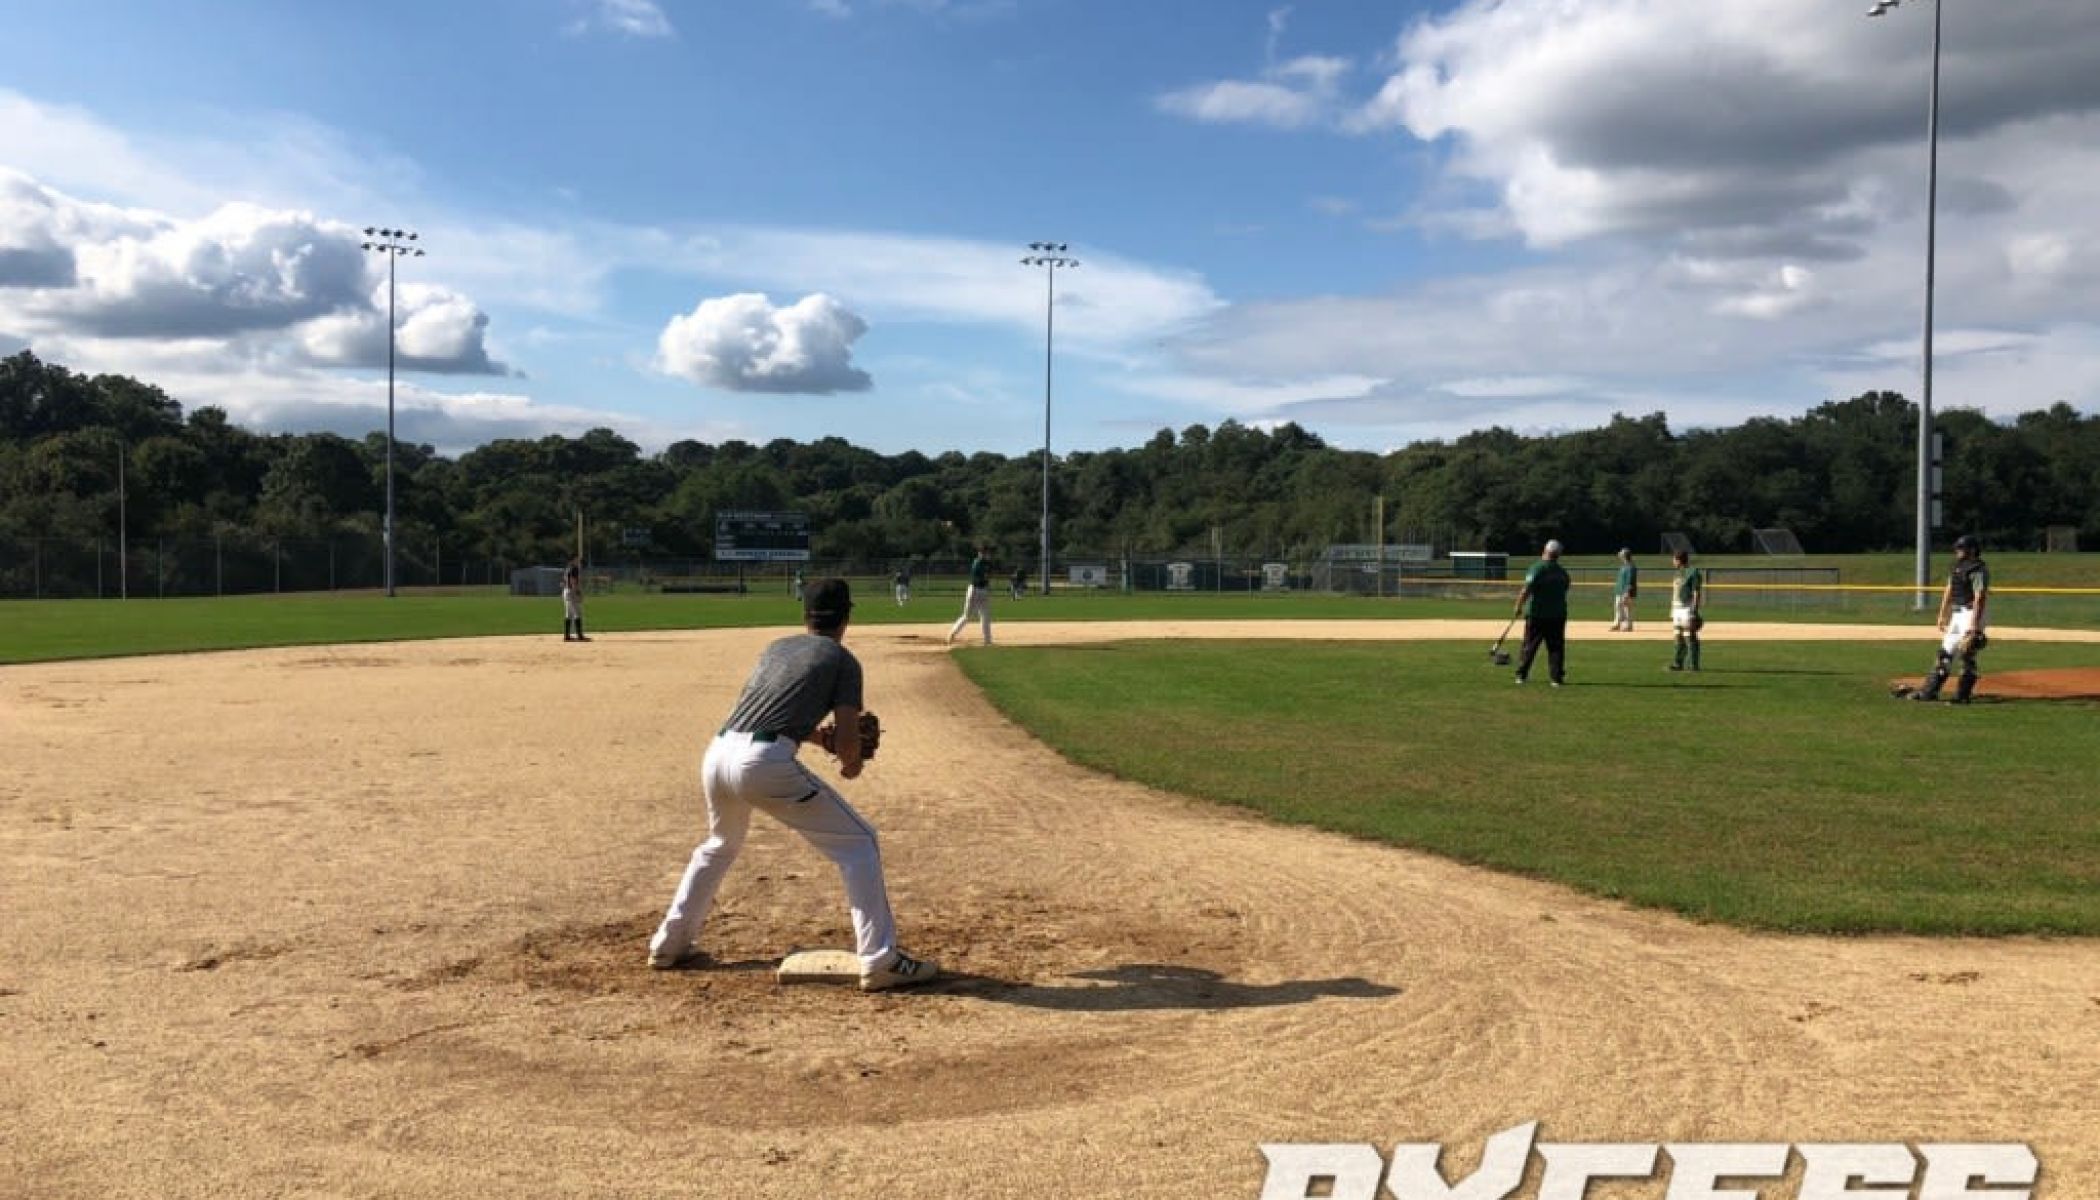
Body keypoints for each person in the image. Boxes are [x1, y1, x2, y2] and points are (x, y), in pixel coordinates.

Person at [648, 577, 939, 992]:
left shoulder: (777, 649)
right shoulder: (842, 660)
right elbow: (848, 738)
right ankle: (880, 959)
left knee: (719, 845)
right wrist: (850, 762)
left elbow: (769, 713)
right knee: (858, 844)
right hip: (762, 763)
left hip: (717, 754)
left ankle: (668, 944)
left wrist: (821, 740)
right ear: (847, 617)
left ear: (805, 617)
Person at [1908, 534, 1990, 703]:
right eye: (1958, 548)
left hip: (1971, 612)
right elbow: (1949, 589)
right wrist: (1942, 614)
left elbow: (1979, 597)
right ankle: (1930, 691)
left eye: (1962, 548)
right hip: (1957, 613)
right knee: (1945, 653)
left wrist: (1973, 626)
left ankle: (1962, 695)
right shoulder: (1957, 567)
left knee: (1967, 652)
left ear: (1972, 550)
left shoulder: (1977, 570)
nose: (1958, 551)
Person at [1510, 539, 1572, 687]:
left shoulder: (1537, 568)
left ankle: (1522, 675)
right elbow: (1565, 589)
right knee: (1556, 647)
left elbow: (1527, 589)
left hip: (1537, 614)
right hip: (1558, 614)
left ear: (1545, 551)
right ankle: (1556, 678)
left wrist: (1518, 605)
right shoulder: (1563, 573)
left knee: (1530, 645)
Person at [946, 545, 994, 645]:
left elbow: (987, 577)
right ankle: (952, 634)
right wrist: (986, 581)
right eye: (984, 553)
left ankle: (988, 640)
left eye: (987, 553)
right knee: (967, 616)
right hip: (974, 590)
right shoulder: (977, 563)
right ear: (980, 553)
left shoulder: (987, 563)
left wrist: (988, 586)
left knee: (985, 616)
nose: (987, 554)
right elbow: (979, 578)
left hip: (983, 591)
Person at [1669, 550, 1703, 671]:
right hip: (1676, 607)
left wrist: (1694, 609)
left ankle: (1694, 664)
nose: (1672, 562)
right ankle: (1678, 663)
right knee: (1677, 635)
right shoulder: (1678, 573)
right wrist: (1672, 608)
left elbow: (1696, 592)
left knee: (1690, 635)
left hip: (1687, 607)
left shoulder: (1693, 572)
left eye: (1674, 559)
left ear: (1679, 560)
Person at [561, 559, 590, 642]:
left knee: (568, 614)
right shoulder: (574, 569)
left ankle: (567, 636)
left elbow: (564, 580)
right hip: (571, 591)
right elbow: (573, 580)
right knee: (577, 613)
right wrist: (577, 591)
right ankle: (580, 636)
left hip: (566, 591)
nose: (580, 565)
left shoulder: (568, 568)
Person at [1610, 548, 1638, 632]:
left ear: (1625, 556)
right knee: (1618, 607)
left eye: (1621, 554)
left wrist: (1627, 592)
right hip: (1619, 591)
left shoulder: (1631, 567)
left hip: (1626, 592)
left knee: (1627, 608)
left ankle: (1628, 625)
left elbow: (1630, 581)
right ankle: (1617, 624)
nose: (1619, 555)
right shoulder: (1623, 566)